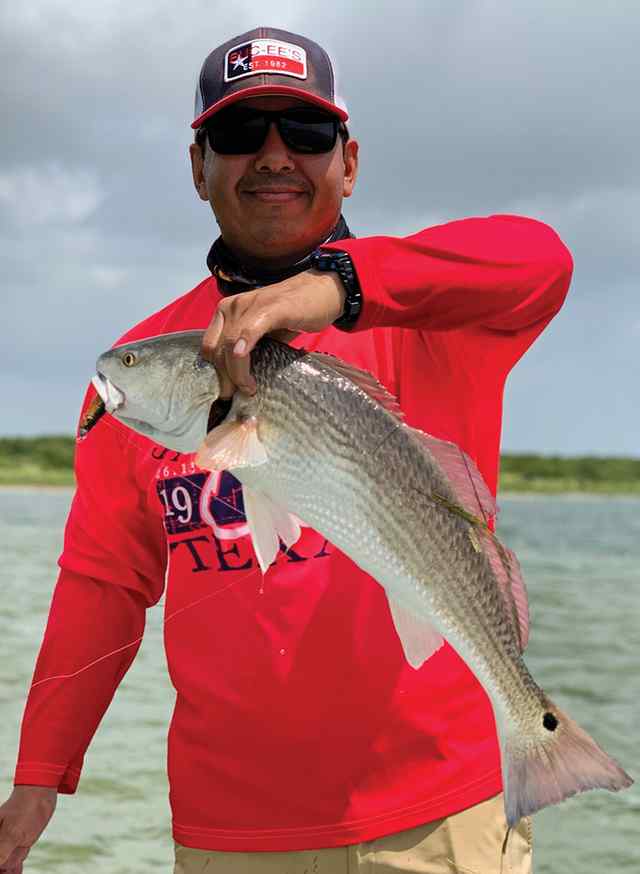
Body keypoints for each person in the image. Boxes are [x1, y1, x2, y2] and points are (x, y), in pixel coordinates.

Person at [0, 26, 573, 874]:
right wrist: (41, 773)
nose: (274, 156)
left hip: (439, 818)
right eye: (239, 135)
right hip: (229, 828)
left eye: (305, 135)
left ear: (349, 162)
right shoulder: (148, 375)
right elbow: (103, 582)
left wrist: (338, 287)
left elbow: (543, 259)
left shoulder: (428, 314)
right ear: (198, 166)